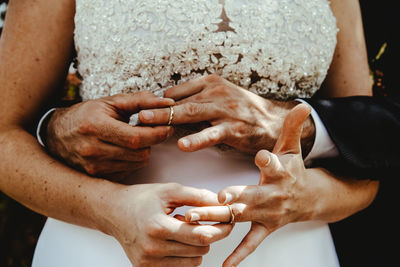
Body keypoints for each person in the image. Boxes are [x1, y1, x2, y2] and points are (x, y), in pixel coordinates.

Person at [0, 0, 375, 266]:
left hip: (290, 249)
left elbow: (368, 151)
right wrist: (108, 211)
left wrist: (305, 199)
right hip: (104, 246)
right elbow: (5, 137)